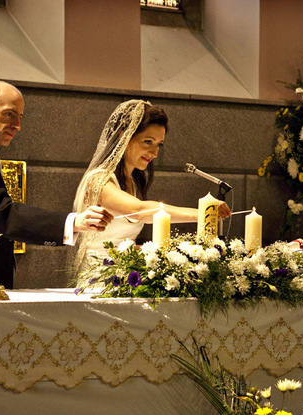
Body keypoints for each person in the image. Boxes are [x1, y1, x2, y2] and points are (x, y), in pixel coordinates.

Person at [0, 80, 113, 290]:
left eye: (20, 116)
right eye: (10, 114)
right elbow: (1, 214)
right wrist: (72, 222)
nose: (18, 125)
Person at [72, 100, 231, 281]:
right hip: (98, 281)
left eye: (159, 144)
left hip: (125, 280)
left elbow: (121, 244)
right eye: (148, 142)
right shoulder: (98, 179)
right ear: (124, 136)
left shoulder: (131, 182)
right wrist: (202, 213)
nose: (154, 153)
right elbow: (139, 210)